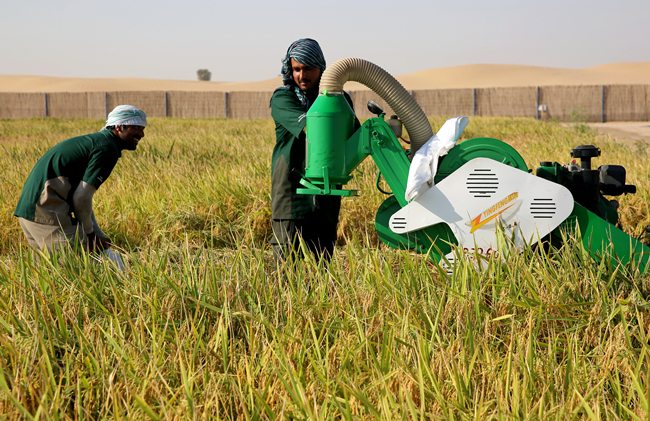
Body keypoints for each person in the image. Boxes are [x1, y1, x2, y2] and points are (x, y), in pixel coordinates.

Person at [270, 38, 359, 264]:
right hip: (292, 201)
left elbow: (355, 137)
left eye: (308, 68)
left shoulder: (339, 99)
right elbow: (314, 127)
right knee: (287, 276)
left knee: (321, 274)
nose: (302, 75)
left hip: (326, 202)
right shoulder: (284, 98)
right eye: (297, 69)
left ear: (321, 69)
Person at [14, 105, 147, 254]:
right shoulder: (106, 148)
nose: (141, 134)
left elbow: (82, 201)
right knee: (83, 268)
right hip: (47, 213)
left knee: (50, 272)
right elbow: (81, 197)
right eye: (136, 127)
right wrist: (90, 235)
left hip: (33, 212)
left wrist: (96, 234)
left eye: (142, 129)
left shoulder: (99, 142)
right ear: (119, 127)